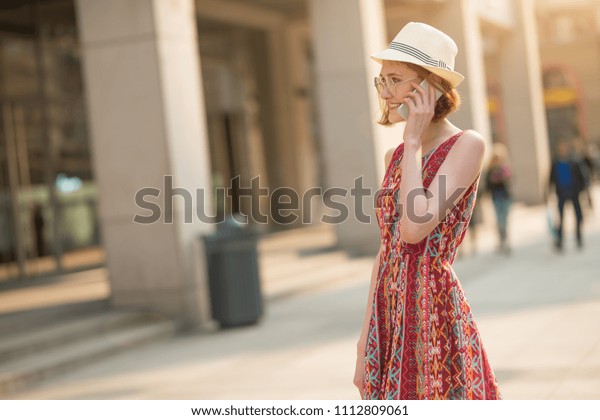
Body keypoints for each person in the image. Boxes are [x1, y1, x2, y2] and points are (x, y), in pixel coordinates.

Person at [353, 22, 501, 400]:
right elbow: (386, 249)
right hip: (389, 308)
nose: (384, 91)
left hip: (431, 306)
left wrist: (414, 138)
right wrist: (364, 341)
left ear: (429, 87)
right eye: (381, 80)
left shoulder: (467, 144)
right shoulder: (397, 155)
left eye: (395, 79)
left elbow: (414, 228)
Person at [548, 140, 586, 250]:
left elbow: (580, 177)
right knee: (561, 217)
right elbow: (551, 178)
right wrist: (548, 192)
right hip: (561, 192)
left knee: (578, 216)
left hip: (574, 192)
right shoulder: (556, 163)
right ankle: (560, 239)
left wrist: (582, 190)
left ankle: (578, 237)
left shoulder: (573, 162)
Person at [485, 143, 512, 255]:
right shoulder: (490, 170)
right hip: (496, 197)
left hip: (505, 196)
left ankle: (505, 239)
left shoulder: (504, 168)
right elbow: (487, 184)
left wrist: (501, 177)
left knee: (504, 219)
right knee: (499, 219)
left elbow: (508, 180)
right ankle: (501, 239)